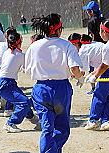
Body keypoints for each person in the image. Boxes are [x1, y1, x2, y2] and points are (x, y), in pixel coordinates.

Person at [25, 13, 84, 153]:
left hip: (40, 89)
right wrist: (80, 77)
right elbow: (74, 69)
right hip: (60, 89)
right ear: (59, 29)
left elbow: (27, 70)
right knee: (62, 128)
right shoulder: (67, 45)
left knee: (47, 128)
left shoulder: (34, 46)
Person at [70, 33, 109, 130]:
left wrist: (76, 77)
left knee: (98, 95)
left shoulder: (82, 51)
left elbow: (82, 71)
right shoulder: (92, 44)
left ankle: (93, 120)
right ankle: (106, 121)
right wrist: (92, 74)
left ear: (75, 44)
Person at [0, 32, 35, 133]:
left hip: (4, 82)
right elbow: (28, 70)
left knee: (24, 100)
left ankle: (33, 118)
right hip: (6, 84)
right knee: (24, 102)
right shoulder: (20, 55)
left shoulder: (7, 52)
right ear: (19, 42)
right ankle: (10, 123)